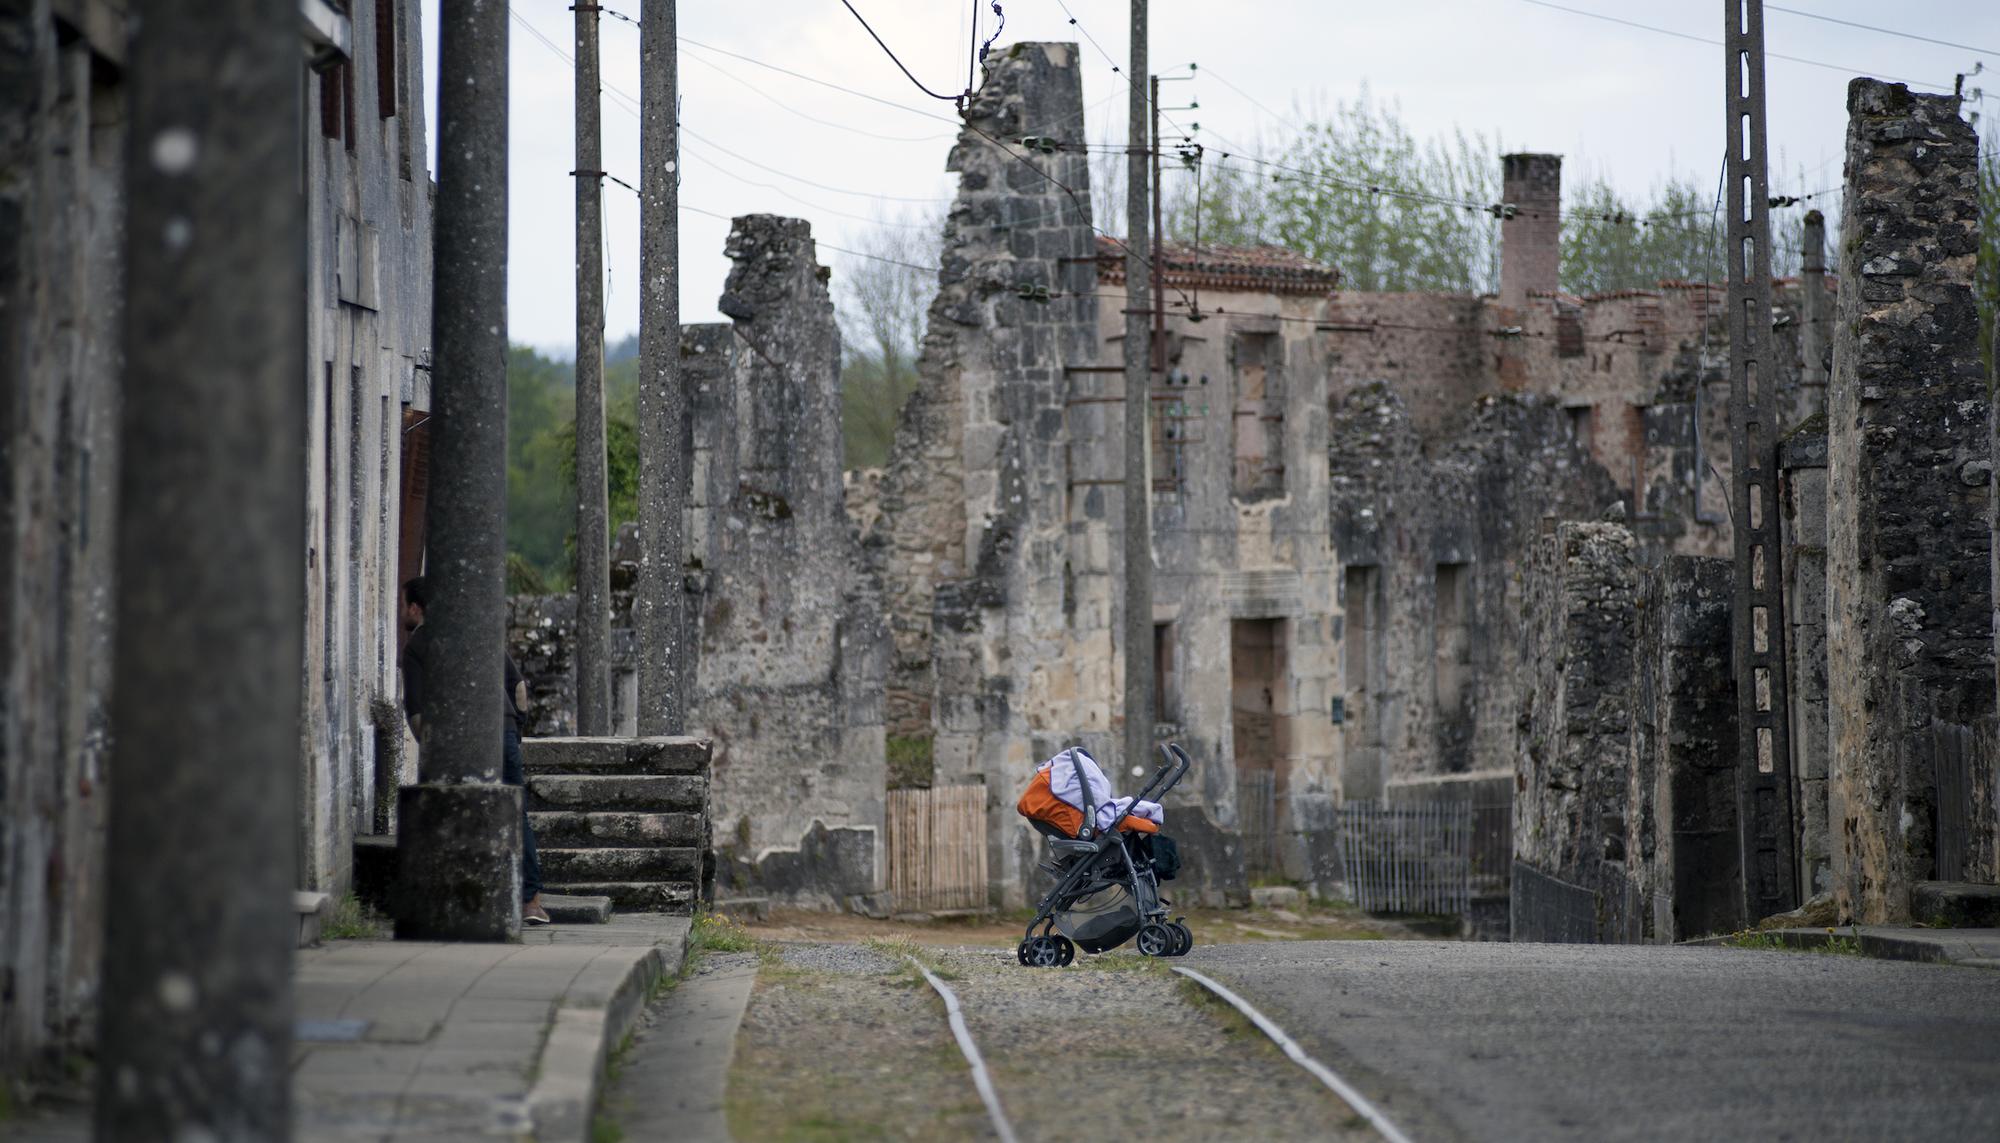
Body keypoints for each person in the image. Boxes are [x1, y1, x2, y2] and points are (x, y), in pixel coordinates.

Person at [402, 576, 551, 925]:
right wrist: (517, 729)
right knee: (517, 814)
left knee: (457, 809)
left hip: (460, 738)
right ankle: (531, 901)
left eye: (404, 605)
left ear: (415, 607)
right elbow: (520, 688)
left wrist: (433, 750)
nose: (402, 613)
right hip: (505, 729)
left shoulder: (418, 645)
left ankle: (466, 896)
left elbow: (417, 712)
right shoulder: (478, 634)